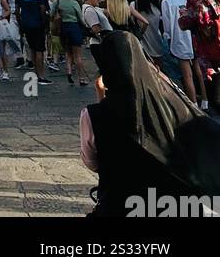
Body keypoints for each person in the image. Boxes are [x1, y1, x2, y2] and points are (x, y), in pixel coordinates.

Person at [80, 30, 220, 216]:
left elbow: (93, 162)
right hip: (173, 205)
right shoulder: (175, 107)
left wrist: (102, 100)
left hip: (119, 205)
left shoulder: (93, 116)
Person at [178, 0, 220, 111]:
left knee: (213, 88)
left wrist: (183, 14)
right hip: (218, 41)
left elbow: (185, 23)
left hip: (206, 49)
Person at [160, 0, 200, 102]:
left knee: (187, 75)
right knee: (198, 70)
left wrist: (168, 37)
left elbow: (166, 25)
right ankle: (204, 99)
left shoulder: (166, 1)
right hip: (192, 35)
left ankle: (194, 103)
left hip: (179, 37)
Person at [14, 0, 51, 84]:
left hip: (26, 24)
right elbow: (42, 9)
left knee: (32, 49)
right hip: (37, 24)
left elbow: (17, 11)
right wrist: (44, 23)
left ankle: (35, 73)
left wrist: (20, 23)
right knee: (39, 50)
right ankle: (41, 75)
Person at [55, 0, 87, 86]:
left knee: (68, 53)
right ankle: (81, 78)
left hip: (64, 28)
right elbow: (80, 18)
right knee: (78, 56)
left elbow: (51, 13)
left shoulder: (58, 1)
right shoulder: (74, 3)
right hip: (74, 27)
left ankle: (69, 72)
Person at [131, 0, 167, 69]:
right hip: (158, 41)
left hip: (143, 43)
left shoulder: (134, 5)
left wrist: (140, 33)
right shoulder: (156, 4)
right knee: (161, 69)